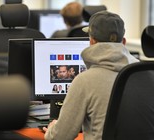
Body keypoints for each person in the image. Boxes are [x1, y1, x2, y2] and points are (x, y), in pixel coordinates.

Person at [43, 11, 140, 139]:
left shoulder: (84, 80)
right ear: (124, 42)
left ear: (92, 42)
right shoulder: (147, 75)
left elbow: (60, 136)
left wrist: (51, 129)